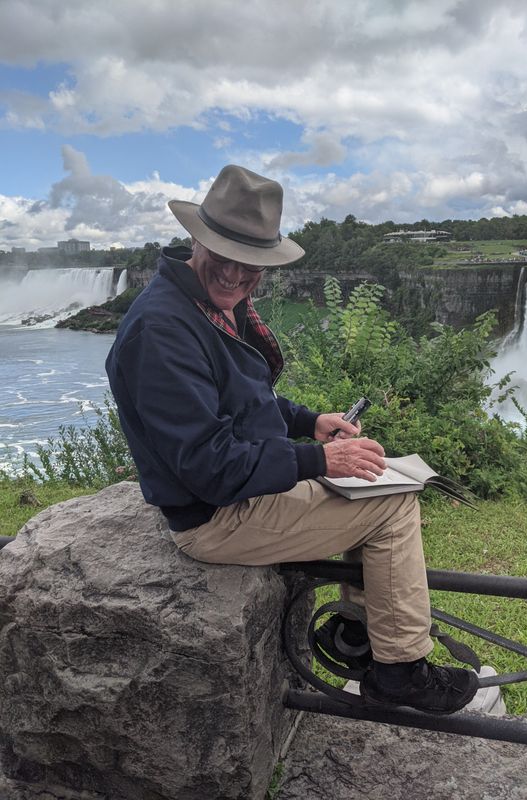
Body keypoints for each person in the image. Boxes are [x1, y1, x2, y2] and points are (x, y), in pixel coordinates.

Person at [105, 164, 478, 715]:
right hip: (215, 517)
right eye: (223, 256)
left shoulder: (196, 306)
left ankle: (359, 636)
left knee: (377, 485)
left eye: (249, 262)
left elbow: (235, 403)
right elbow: (210, 466)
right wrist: (318, 459)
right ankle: (398, 668)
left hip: (234, 494)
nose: (235, 274)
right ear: (196, 241)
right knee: (394, 504)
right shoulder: (164, 329)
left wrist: (307, 421)